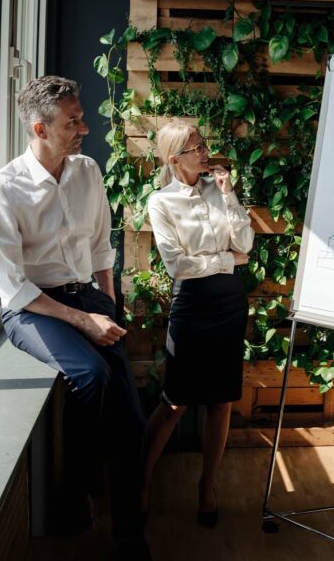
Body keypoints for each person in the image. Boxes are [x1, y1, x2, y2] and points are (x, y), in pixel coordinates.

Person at [0, 75, 148, 559]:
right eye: (72, 122)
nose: (84, 128)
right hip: (32, 308)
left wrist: (107, 308)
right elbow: (12, 286)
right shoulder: (1, 190)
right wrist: (82, 321)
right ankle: (73, 493)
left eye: (81, 117)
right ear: (39, 129)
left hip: (87, 297)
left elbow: (100, 246)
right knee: (89, 373)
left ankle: (130, 536)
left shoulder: (87, 171)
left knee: (131, 423)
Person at [141, 122, 253, 528]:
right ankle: (141, 481)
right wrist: (225, 261)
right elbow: (177, 266)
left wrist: (229, 195)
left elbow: (247, 244)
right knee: (175, 400)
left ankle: (207, 485)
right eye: (196, 148)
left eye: (204, 143)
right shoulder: (161, 202)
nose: (205, 152)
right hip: (191, 306)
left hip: (229, 303)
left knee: (222, 401)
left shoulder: (219, 189)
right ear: (175, 159)